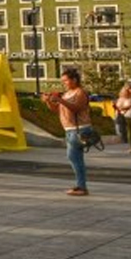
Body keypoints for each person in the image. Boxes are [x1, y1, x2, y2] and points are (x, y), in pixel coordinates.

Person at [43, 68, 92, 196]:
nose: (64, 83)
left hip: (79, 128)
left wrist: (59, 100)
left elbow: (76, 108)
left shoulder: (80, 93)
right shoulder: (67, 94)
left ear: (74, 80)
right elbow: (57, 110)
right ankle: (81, 185)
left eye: (66, 81)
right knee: (75, 158)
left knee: (74, 157)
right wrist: (49, 101)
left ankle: (81, 186)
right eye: (62, 81)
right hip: (70, 129)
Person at [113, 84, 131, 154]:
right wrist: (127, 107)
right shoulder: (122, 98)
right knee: (130, 132)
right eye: (128, 89)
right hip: (127, 115)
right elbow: (118, 107)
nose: (130, 90)